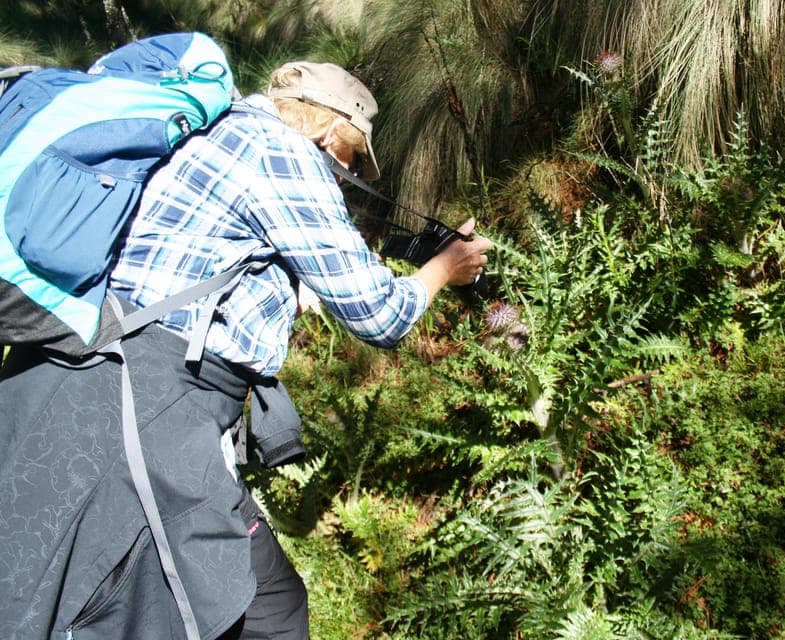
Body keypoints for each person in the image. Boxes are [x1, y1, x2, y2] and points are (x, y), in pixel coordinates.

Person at [0, 60, 492, 639]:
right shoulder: (282, 153)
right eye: (353, 162)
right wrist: (444, 268)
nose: (346, 175)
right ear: (334, 134)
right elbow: (379, 314)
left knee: (258, 609)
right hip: (140, 411)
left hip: (77, 376)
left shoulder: (209, 132)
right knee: (124, 613)